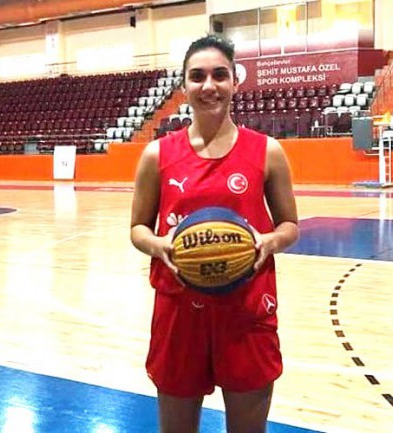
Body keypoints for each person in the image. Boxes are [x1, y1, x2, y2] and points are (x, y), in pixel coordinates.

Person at [130, 34, 299, 433]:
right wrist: (159, 245)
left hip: (246, 309)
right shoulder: (157, 154)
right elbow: (137, 229)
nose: (209, 86)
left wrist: (269, 241)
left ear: (235, 81)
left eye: (220, 75)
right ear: (184, 85)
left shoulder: (267, 151)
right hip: (178, 312)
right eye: (198, 76)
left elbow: (290, 225)